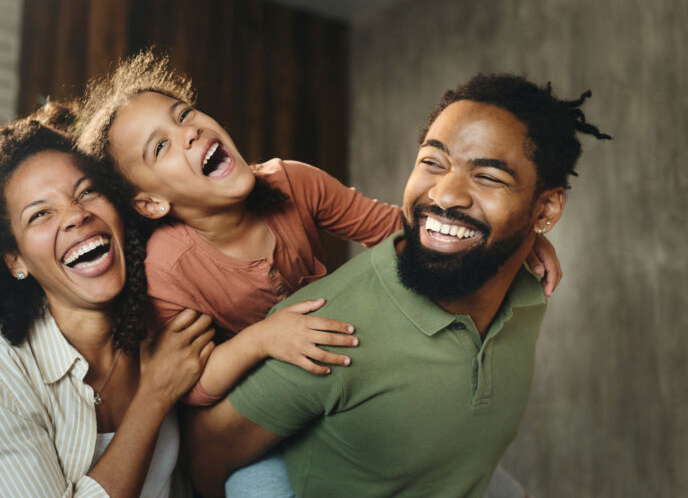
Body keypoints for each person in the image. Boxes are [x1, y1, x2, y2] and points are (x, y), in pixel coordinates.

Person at [185, 73, 612, 497]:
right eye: (432, 162)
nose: (445, 195)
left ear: (546, 210)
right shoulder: (324, 329)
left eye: (488, 177)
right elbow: (207, 456)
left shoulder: (529, 288)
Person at [0, 114, 214, 497]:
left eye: (86, 192)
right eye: (40, 214)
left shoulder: (166, 323)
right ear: (16, 260)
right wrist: (154, 395)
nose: (76, 215)